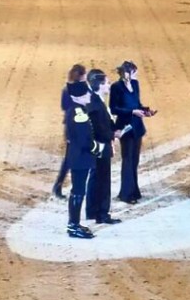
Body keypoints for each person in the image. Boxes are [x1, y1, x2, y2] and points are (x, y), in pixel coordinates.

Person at [63, 81, 106, 239]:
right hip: (81, 158)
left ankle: (74, 223)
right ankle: (73, 226)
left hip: (78, 157)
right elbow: (84, 140)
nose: (89, 94)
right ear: (78, 97)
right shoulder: (79, 113)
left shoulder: (76, 110)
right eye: (86, 93)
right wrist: (97, 148)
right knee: (78, 192)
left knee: (78, 191)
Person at [109, 61, 155, 204]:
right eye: (134, 72)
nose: (137, 75)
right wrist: (132, 112)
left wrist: (145, 111)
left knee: (134, 161)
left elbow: (137, 103)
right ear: (127, 74)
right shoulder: (116, 87)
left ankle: (134, 191)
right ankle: (126, 194)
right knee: (127, 160)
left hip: (137, 127)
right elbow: (114, 109)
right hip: (125, 128)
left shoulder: (135, 84)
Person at [85, 69, 122, 226]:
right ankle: (102, 214)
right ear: (100, 85)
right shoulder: (96, 104)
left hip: (95, 147)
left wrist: (114, 128)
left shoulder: (95, 100)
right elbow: (99, 128)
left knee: (95, 178)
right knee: (103, 180)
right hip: (101, 147)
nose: (109, 85)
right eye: (107, 83)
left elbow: (104, 123)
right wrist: (113, 135)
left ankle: (92, 211)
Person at [52, 63, 86, 198]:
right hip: (80, 127)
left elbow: (64, 107)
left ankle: (59, 184)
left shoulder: (66, 89)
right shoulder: (84, 90)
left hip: (70, 127)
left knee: (69, 158)